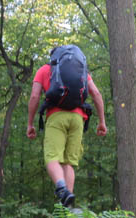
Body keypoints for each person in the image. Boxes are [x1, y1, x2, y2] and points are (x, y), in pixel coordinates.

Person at [26, 47, 107, 206]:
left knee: (52, 158)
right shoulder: (81, 72)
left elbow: (35, 96)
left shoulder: (44, 70)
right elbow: (96, 94)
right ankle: (67, 207)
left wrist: (30, 123)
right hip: (77, 118)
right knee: (68, 163)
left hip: (56, 117)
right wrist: (102, 122)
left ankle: (62, 189)